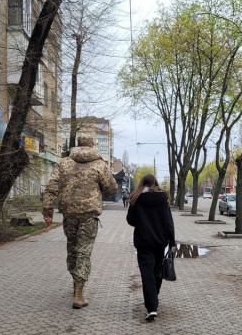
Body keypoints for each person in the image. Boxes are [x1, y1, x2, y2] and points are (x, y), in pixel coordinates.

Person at [42, 135, 118, 309]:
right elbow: (112, 189)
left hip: (69, 215)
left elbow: (52, 187)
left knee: (73, 250)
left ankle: (75, 284)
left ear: (78, 145)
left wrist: (47, 211)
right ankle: (79, 294)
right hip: (89, 216)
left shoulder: (64, 163)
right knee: (84, 252)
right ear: (91, 145)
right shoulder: (99, 164)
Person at [126, 174, 176, 321]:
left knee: (147, 274)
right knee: (157, 272)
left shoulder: (136, 198)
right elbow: (168, 221)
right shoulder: (163, 198)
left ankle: (152, 307)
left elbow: (130, 220)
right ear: (155, 183)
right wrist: (172, 241)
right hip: (160, 241)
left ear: (142, 183)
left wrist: (142, 222)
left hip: (143, 242)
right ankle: (153, 299)